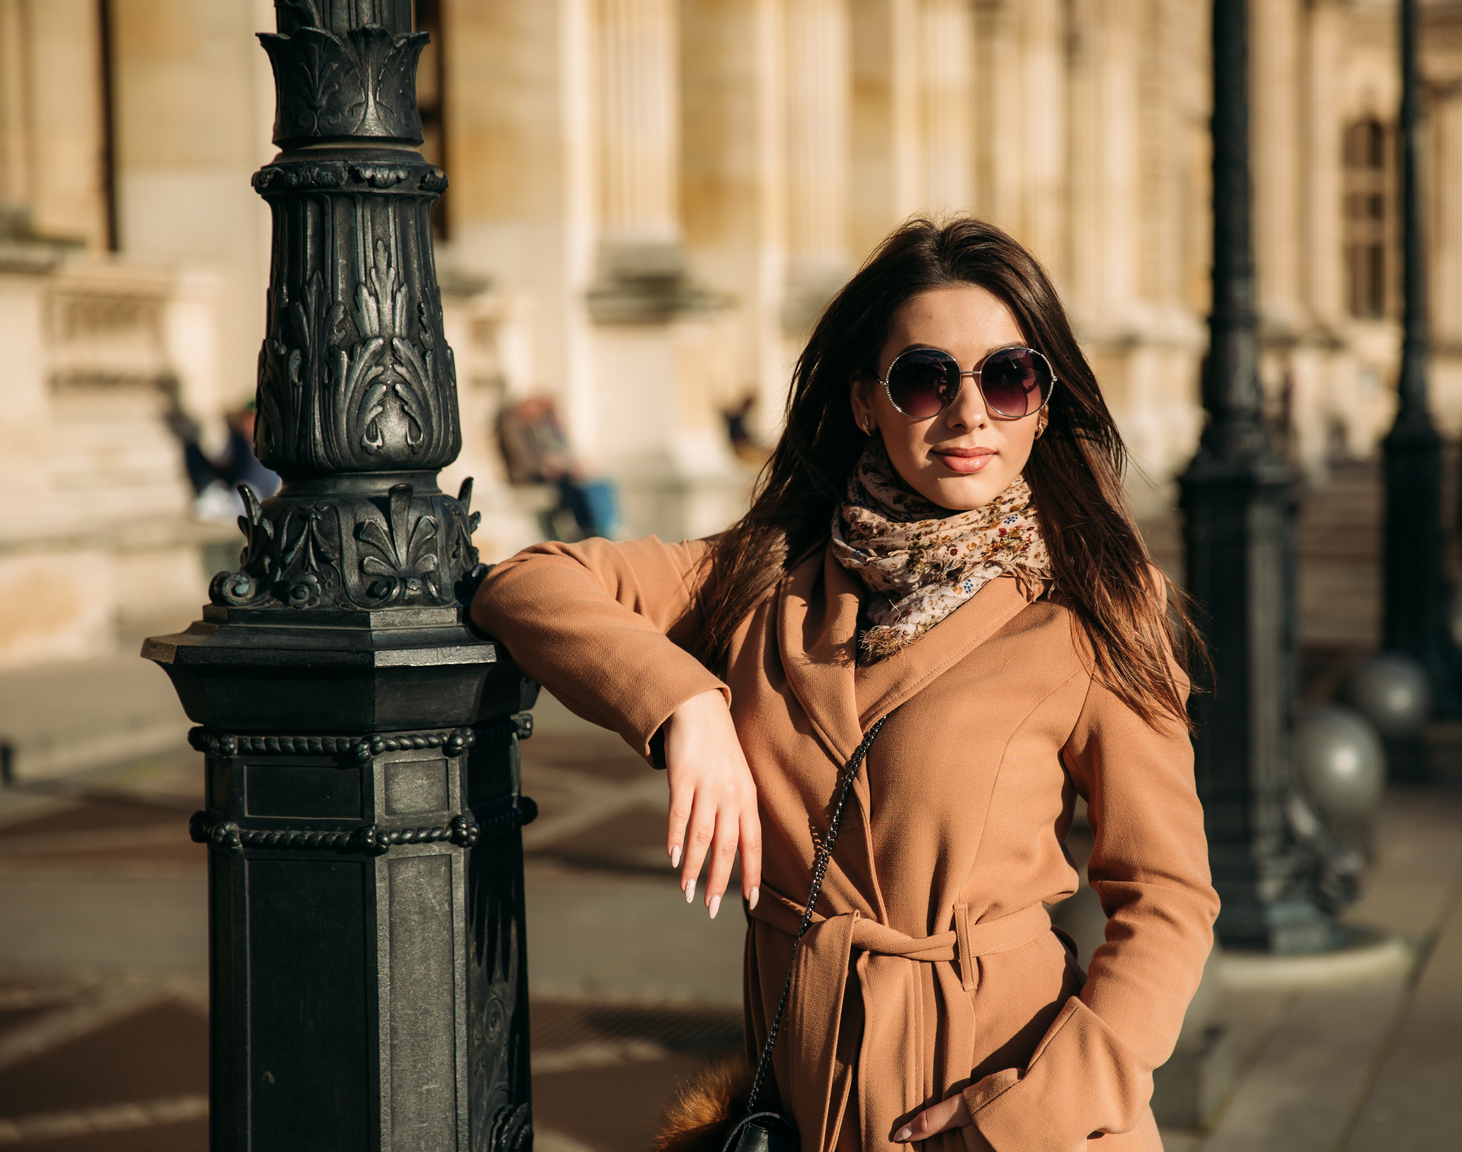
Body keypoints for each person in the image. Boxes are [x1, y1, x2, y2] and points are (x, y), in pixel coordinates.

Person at [471, 218, 1218, 1151]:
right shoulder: (767, 573)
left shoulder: (1094, 603)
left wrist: (1029, 1114)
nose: (970, 413)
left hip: (1007, 1105)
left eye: (1008, 376)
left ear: (1042, 398)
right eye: (926, 378)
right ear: (868, 402)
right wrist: (686, 706)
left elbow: (1168, 900)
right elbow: (526, 581)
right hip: (808, 1108)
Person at [496, 394, 616, 539]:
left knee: (575, 484)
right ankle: (586, 530)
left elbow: (549, 451)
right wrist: (544, 468)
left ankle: (590, 528)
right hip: (525, 474)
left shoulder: (531, 426)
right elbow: (520, 458)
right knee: (567, 485)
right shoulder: (511, 427)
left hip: (541, 471)